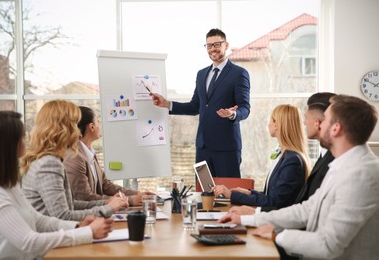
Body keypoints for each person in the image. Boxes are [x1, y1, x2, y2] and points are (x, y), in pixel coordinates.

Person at [219, 94, 379, 259]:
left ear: (336, 128)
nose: (317, 124)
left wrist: (277, 236)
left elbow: (328, 245)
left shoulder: (362, 174)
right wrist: (249, 219)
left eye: (324, 121)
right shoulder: (342, 165)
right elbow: (306, 210)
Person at [0, 111, 114, 260]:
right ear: (9, 143)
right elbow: (29, 242)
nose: (26, 140)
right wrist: (87, 233)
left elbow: (37, 219)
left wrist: (78, 226)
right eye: (22, 136)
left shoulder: (9, 185)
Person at [151, 28, 250, 178]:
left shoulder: (239, 73)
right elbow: (195, 106)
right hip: (203, 147)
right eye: (209, 46)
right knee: (203, 193)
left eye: (216, 44)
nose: (212, 49)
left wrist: (232, 114)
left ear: (226, 45)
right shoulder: (201, 74)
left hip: (226, 148)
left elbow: (245, 108)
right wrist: (167, 104)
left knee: (229, 195)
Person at [21, 100, 129, 221]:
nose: (78, 131)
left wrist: (107, 204)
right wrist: (108, 208)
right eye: (74, 125)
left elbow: (70, 204)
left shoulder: (48, 159)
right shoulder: (49, 164)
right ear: (63, 129)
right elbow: (63, 216)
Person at [213, 104, 310, 209]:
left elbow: (274, 202)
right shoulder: (284, 155)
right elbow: (271, 195)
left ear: (278, 124)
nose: (269, 124)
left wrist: (231, 195)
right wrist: (249, 193)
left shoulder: (292, 160)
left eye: (271, 121)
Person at [63, 106, 154, 205]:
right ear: (91, 127)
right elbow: (85, 198)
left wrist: (138, 194)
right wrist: (129, 200)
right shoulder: (74, 157)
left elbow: (106, 185)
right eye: (98, 122)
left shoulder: (89, 153)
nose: (100, 126)